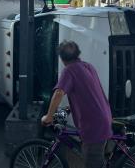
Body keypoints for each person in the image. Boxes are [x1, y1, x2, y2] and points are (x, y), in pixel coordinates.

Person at [41, 40, 113, 168]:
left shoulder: (69, 70)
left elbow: (58, 93)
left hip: (94, 126)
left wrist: (49, 116)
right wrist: (71, 107)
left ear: (62, 58)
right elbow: (88, 93)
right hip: (102, 118)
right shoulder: (88, 66)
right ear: (78, 54)